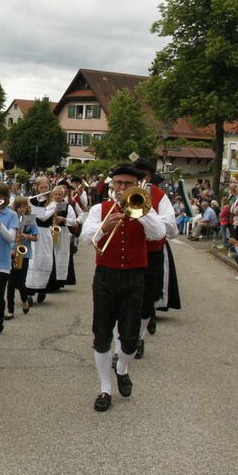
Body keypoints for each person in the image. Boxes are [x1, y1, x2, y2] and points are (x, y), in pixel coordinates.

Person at [79, 163, 166, 413]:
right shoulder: (100, 209)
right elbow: (86, 238)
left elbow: (159, 233)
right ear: (111, 185)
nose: (122, 188)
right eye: (118, 184)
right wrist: (104, 227)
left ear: (136, 186)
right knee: (102, 333)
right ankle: (105, 388)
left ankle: (122, 369)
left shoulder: (144, 209)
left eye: (128, 184)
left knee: (129, 339)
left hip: (134, 278)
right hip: (105, 277)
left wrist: (142, 211)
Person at [0, 183, 18, 335]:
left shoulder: (11, 215)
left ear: (6, 198)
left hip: (2, 261)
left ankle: (0, 317)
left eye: (0, 197)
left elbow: (11, 238)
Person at [24, 177, 55, 303]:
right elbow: (28, 218)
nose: (43, 189)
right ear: (37, 188)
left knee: (43, 260)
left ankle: (42, 289)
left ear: (49, 187)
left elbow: (43, 216)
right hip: (33, 232)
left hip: (44, 234)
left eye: (45, 187)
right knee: (32, 260)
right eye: (41, 187)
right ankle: (29, 292)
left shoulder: (52, 203)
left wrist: (30, 205)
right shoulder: (33, 199)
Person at [8, 196, 38, 316]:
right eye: (19, 207)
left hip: (24, 254)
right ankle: (10, 311)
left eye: (24, 206)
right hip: (11, 253)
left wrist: (25, 236)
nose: (22, 209)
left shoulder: (29, 219)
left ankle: (24, 300)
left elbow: (36, 237)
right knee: (10, 284)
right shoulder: (12, 218)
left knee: (20, 282)